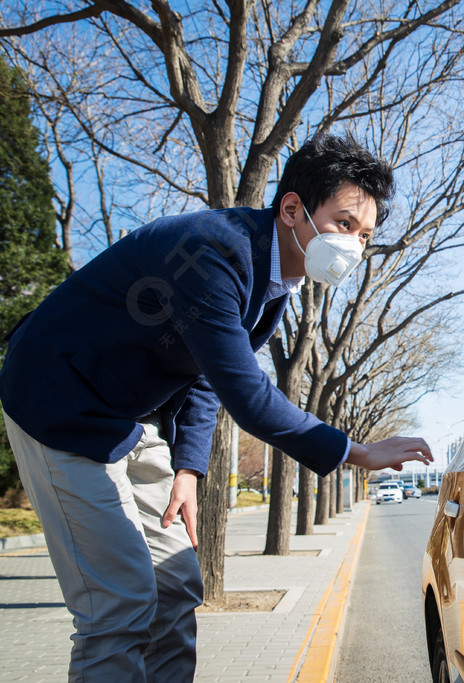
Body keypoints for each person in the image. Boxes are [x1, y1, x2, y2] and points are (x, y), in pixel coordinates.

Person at [0, 132, 433, 681]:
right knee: (121, 601)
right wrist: (356, 451)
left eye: (366, 235)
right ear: (293, 209)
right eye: (344, 224)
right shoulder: (217, 250)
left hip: (127, 419)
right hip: (57, 403)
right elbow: (247, 395)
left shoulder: (275, 280)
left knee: (178, 580)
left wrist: (187, 468)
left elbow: (204, 379)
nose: (355, 246)